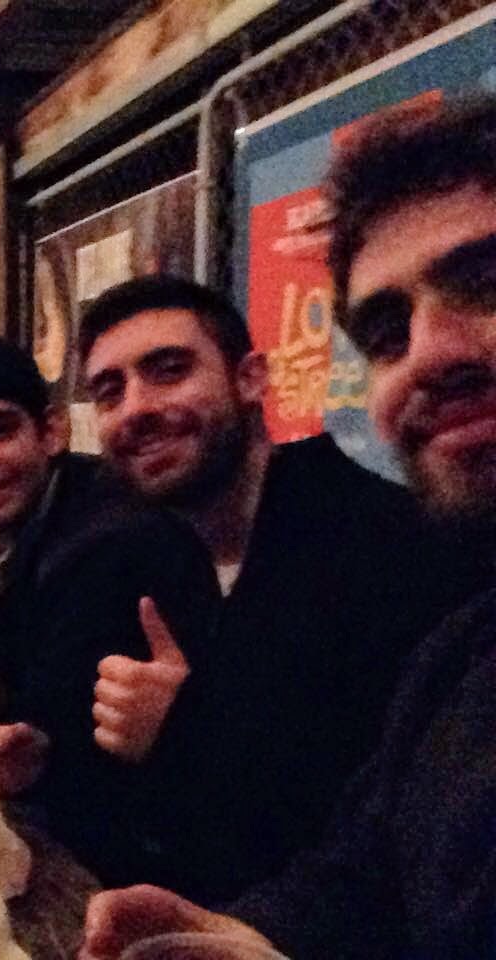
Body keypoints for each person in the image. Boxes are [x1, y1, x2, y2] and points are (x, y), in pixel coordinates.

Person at [79, 96, 496, 960]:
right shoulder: (469, 649)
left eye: (488, 283)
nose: (429, 353)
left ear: (251, 380)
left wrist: (181, 730)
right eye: (387, 332)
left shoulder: (397, 553)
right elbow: (369, 867)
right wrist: (247, 935)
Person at [74, 274, 485, 899]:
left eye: (168, 370)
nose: (136, 408)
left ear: (250, 379)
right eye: (110, 392)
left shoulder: (385, 548)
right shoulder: (154, 555)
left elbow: (376, 835)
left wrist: (180, 728)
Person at [0, 336, 222, 881]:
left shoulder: (106, 543)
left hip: (134, 866)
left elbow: (25, 731)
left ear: (52, 433)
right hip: (62, 833)